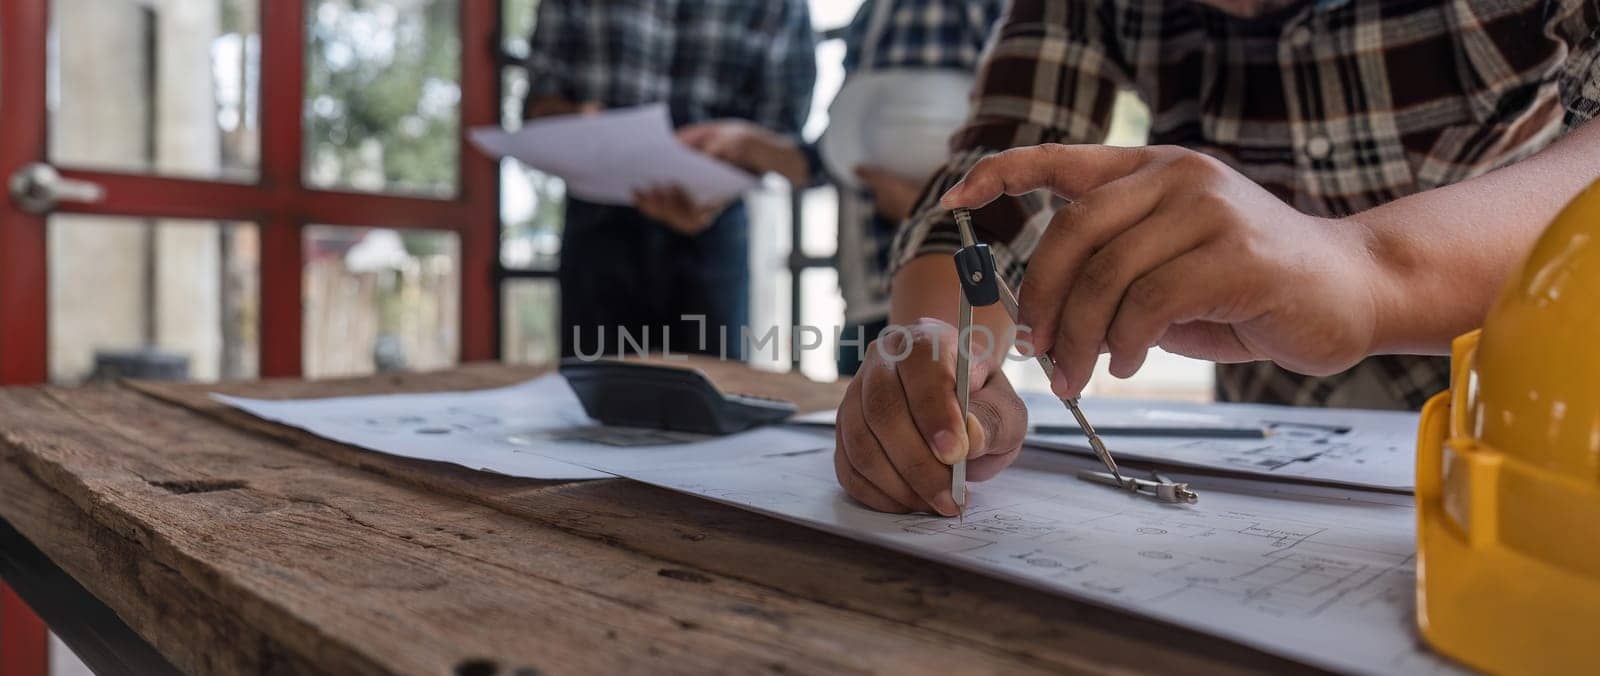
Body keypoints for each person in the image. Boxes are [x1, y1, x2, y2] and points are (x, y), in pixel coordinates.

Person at [832, 0, 1600, 516]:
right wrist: (939, 367)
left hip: (1552, 437)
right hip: (1271, 474)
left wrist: (1366, 271)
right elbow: (994, 187)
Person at [674, 0, 1006, 375]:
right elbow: (841, 157)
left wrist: (939, 213)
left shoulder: (986, 8)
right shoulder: (872, 14)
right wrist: (745, 144)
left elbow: (1027, 152)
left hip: (959, 306)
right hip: (866, 303)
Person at [523, 0, 816, 359]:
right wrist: (576, 119)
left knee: (711, 391)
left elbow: (783, 128)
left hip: (713, 222)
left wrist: (736, 160)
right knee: (596, 393)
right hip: (597, 225)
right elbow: (540, 97)